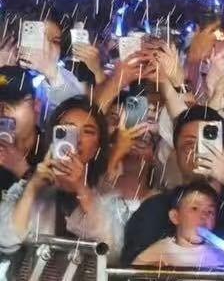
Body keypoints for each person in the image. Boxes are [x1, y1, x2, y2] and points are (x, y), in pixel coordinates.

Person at [0, 98, 131, 259]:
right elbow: (6, 241)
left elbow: (111, 253)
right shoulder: (27, 188)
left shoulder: (108, 198)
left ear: (97, 145)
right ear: (53, 137)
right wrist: (32, 187)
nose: (77, 139)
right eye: (67, 131)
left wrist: (81, 189)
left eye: (88, 131)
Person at [119, 107, 224, 263]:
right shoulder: (154, 209)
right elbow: (129, 273)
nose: (198, 151)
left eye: (208, 141)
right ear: (176, 153)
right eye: (190, 144)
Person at [132, 180, 224, 270]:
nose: (203, 215)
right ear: (175, 217)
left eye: (210, 212)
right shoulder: (155, 254)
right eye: (194, 208)